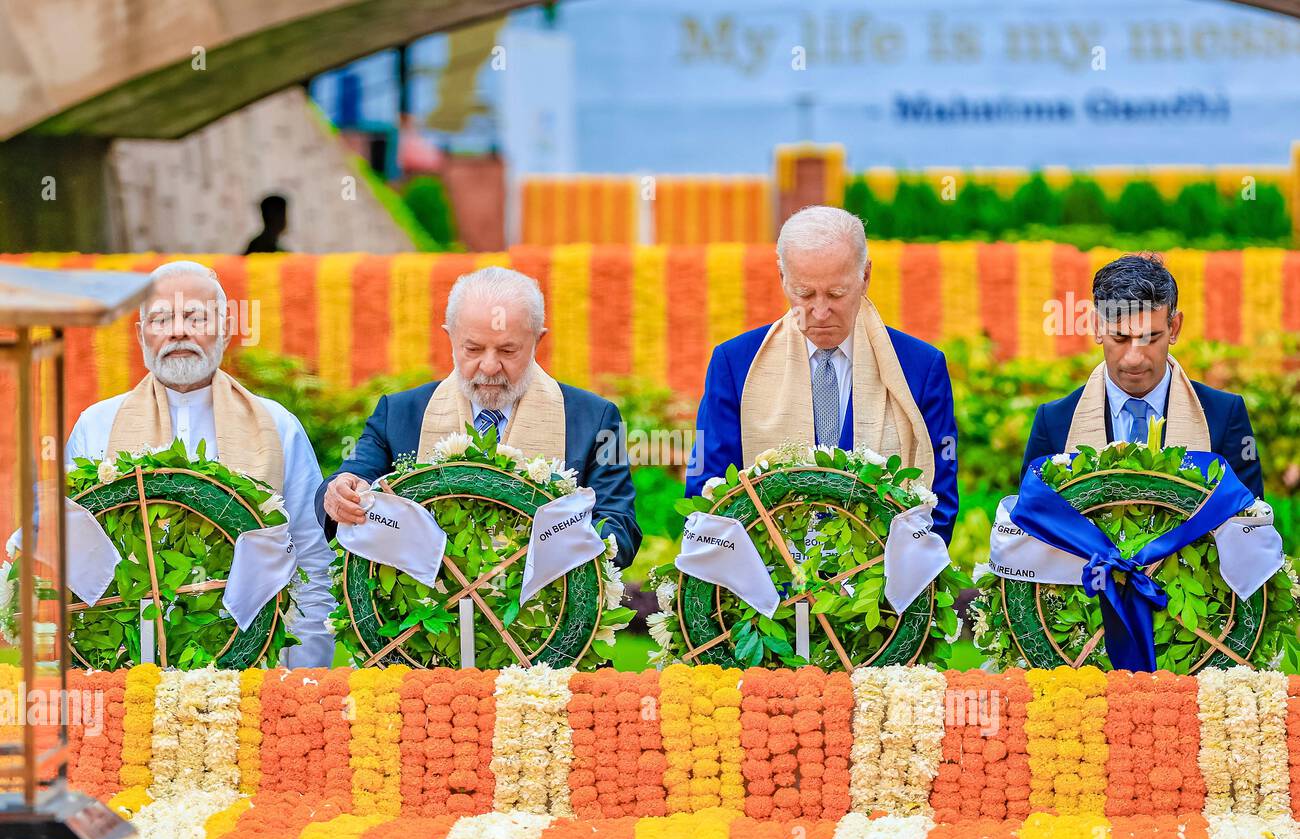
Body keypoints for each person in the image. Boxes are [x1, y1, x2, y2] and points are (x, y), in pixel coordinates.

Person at [66, 261, 337, 667]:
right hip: (127, 663)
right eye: (161, 319)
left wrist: (304, 674)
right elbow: (70, 556)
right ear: (141, 335)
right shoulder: (97, 426)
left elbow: (312, 558)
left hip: (255, 662)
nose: (179, 331)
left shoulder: (276, 426)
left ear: (225, 328)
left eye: (195, 317)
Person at [316, 266, 641, 567]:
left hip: (544, 622)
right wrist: (340, 492)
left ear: (538, 340)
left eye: (508, 351)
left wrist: (565, 550)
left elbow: (620, 527)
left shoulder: (593, 418)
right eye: (473, 349)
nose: (489, 366)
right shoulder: (400, 414)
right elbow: (352, 478)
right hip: (424, 619)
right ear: (450, 337)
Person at [686, 205, 959, 543]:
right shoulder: (735, 364)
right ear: (782, 278)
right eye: (804, 294)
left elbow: (938, 498)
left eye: (836, 294)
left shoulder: (920, 367)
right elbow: (709, 491)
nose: (819, 311)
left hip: (884, 586)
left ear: (866, 276)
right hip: (766, 587)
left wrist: (900, 579)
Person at [1021, 252, 1263, 496]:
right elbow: (1029, 524)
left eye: (1150, 337)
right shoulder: (1052, 422)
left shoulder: (1225, 416)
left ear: (1174, 327)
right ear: (1096, 327)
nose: (1134, 358)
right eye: (1120, 338)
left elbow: (1251, 521)